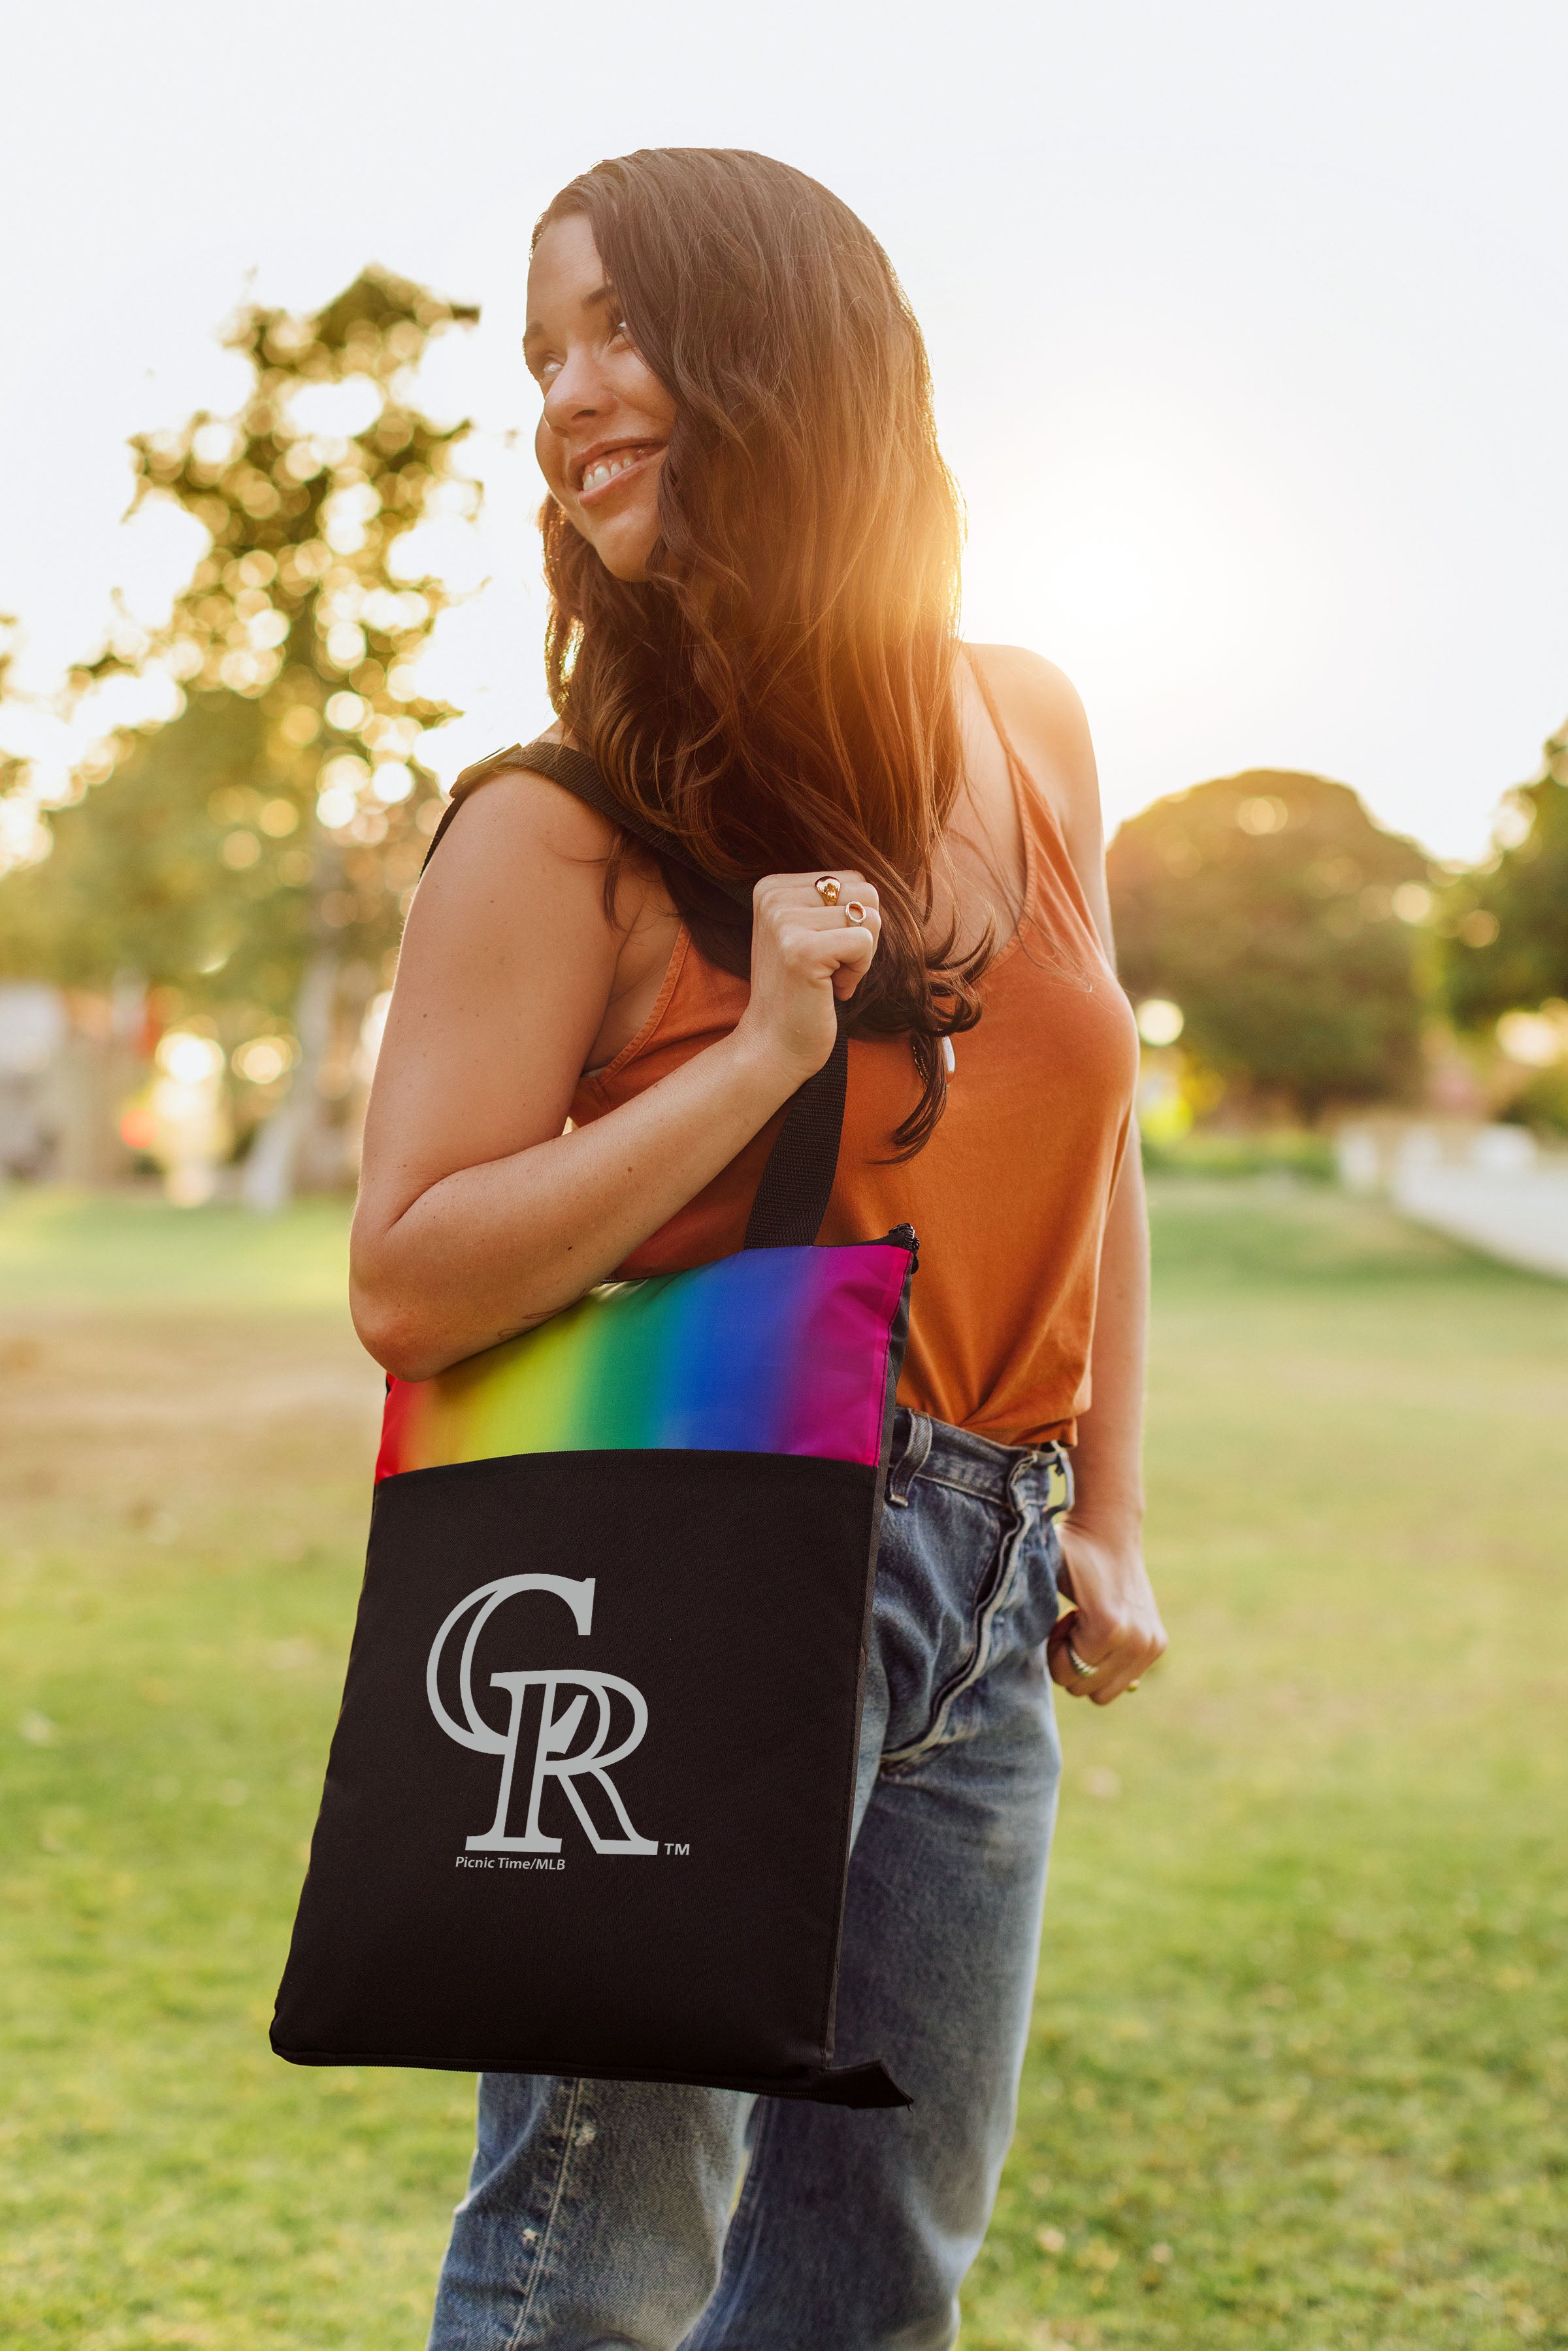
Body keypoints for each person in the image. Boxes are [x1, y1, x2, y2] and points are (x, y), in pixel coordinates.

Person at [351, 146, 1167, 2351]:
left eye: (616, 330)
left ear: (784, 357)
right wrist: (756, 1056)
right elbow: (407, 1278)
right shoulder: (560, 823)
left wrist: (1103, 1512)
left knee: (871, 2277)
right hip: (695, 1550)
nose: (567, 393)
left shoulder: (1032, 723)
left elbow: (1093, 1152)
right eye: (542, 353)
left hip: (982, 1585)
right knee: (594, 2261)